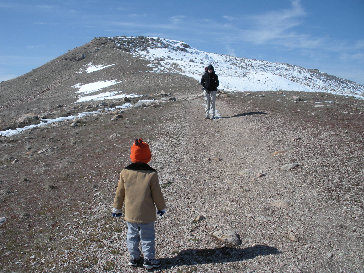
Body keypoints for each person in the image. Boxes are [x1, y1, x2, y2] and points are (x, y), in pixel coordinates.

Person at [112, 138, 166, 269]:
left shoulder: (125, 172)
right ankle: (148, 260)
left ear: (132, 156)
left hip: (130, 214)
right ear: (148, 157)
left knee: (132, 236)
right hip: (146, 214)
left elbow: (120, 192)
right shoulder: (151, 174)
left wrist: (117, 208)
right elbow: (157, 194)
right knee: (147, 237)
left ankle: (134, 258)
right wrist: (161, 207)